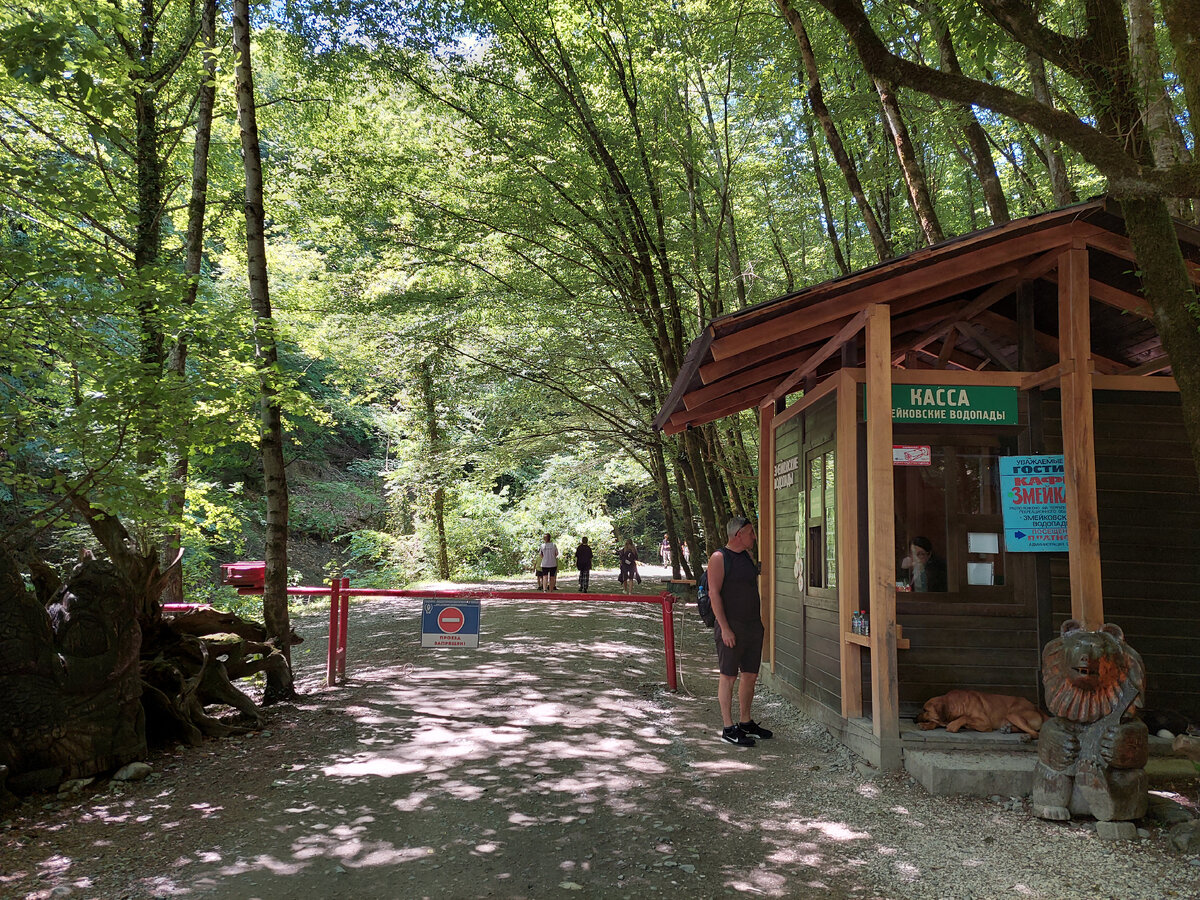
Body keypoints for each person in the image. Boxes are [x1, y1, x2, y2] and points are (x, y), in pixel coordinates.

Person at [708, 515, 773, 747]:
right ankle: (728, 727)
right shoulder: (719, 558)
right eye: (751, 532)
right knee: (728, 676)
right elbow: (713, 593)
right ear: (739, 535)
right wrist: (725, 628)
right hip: (731, 626)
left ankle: (746, 722)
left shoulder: (747, 556)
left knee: (750, 675)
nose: (754, 536)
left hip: (753, 626)